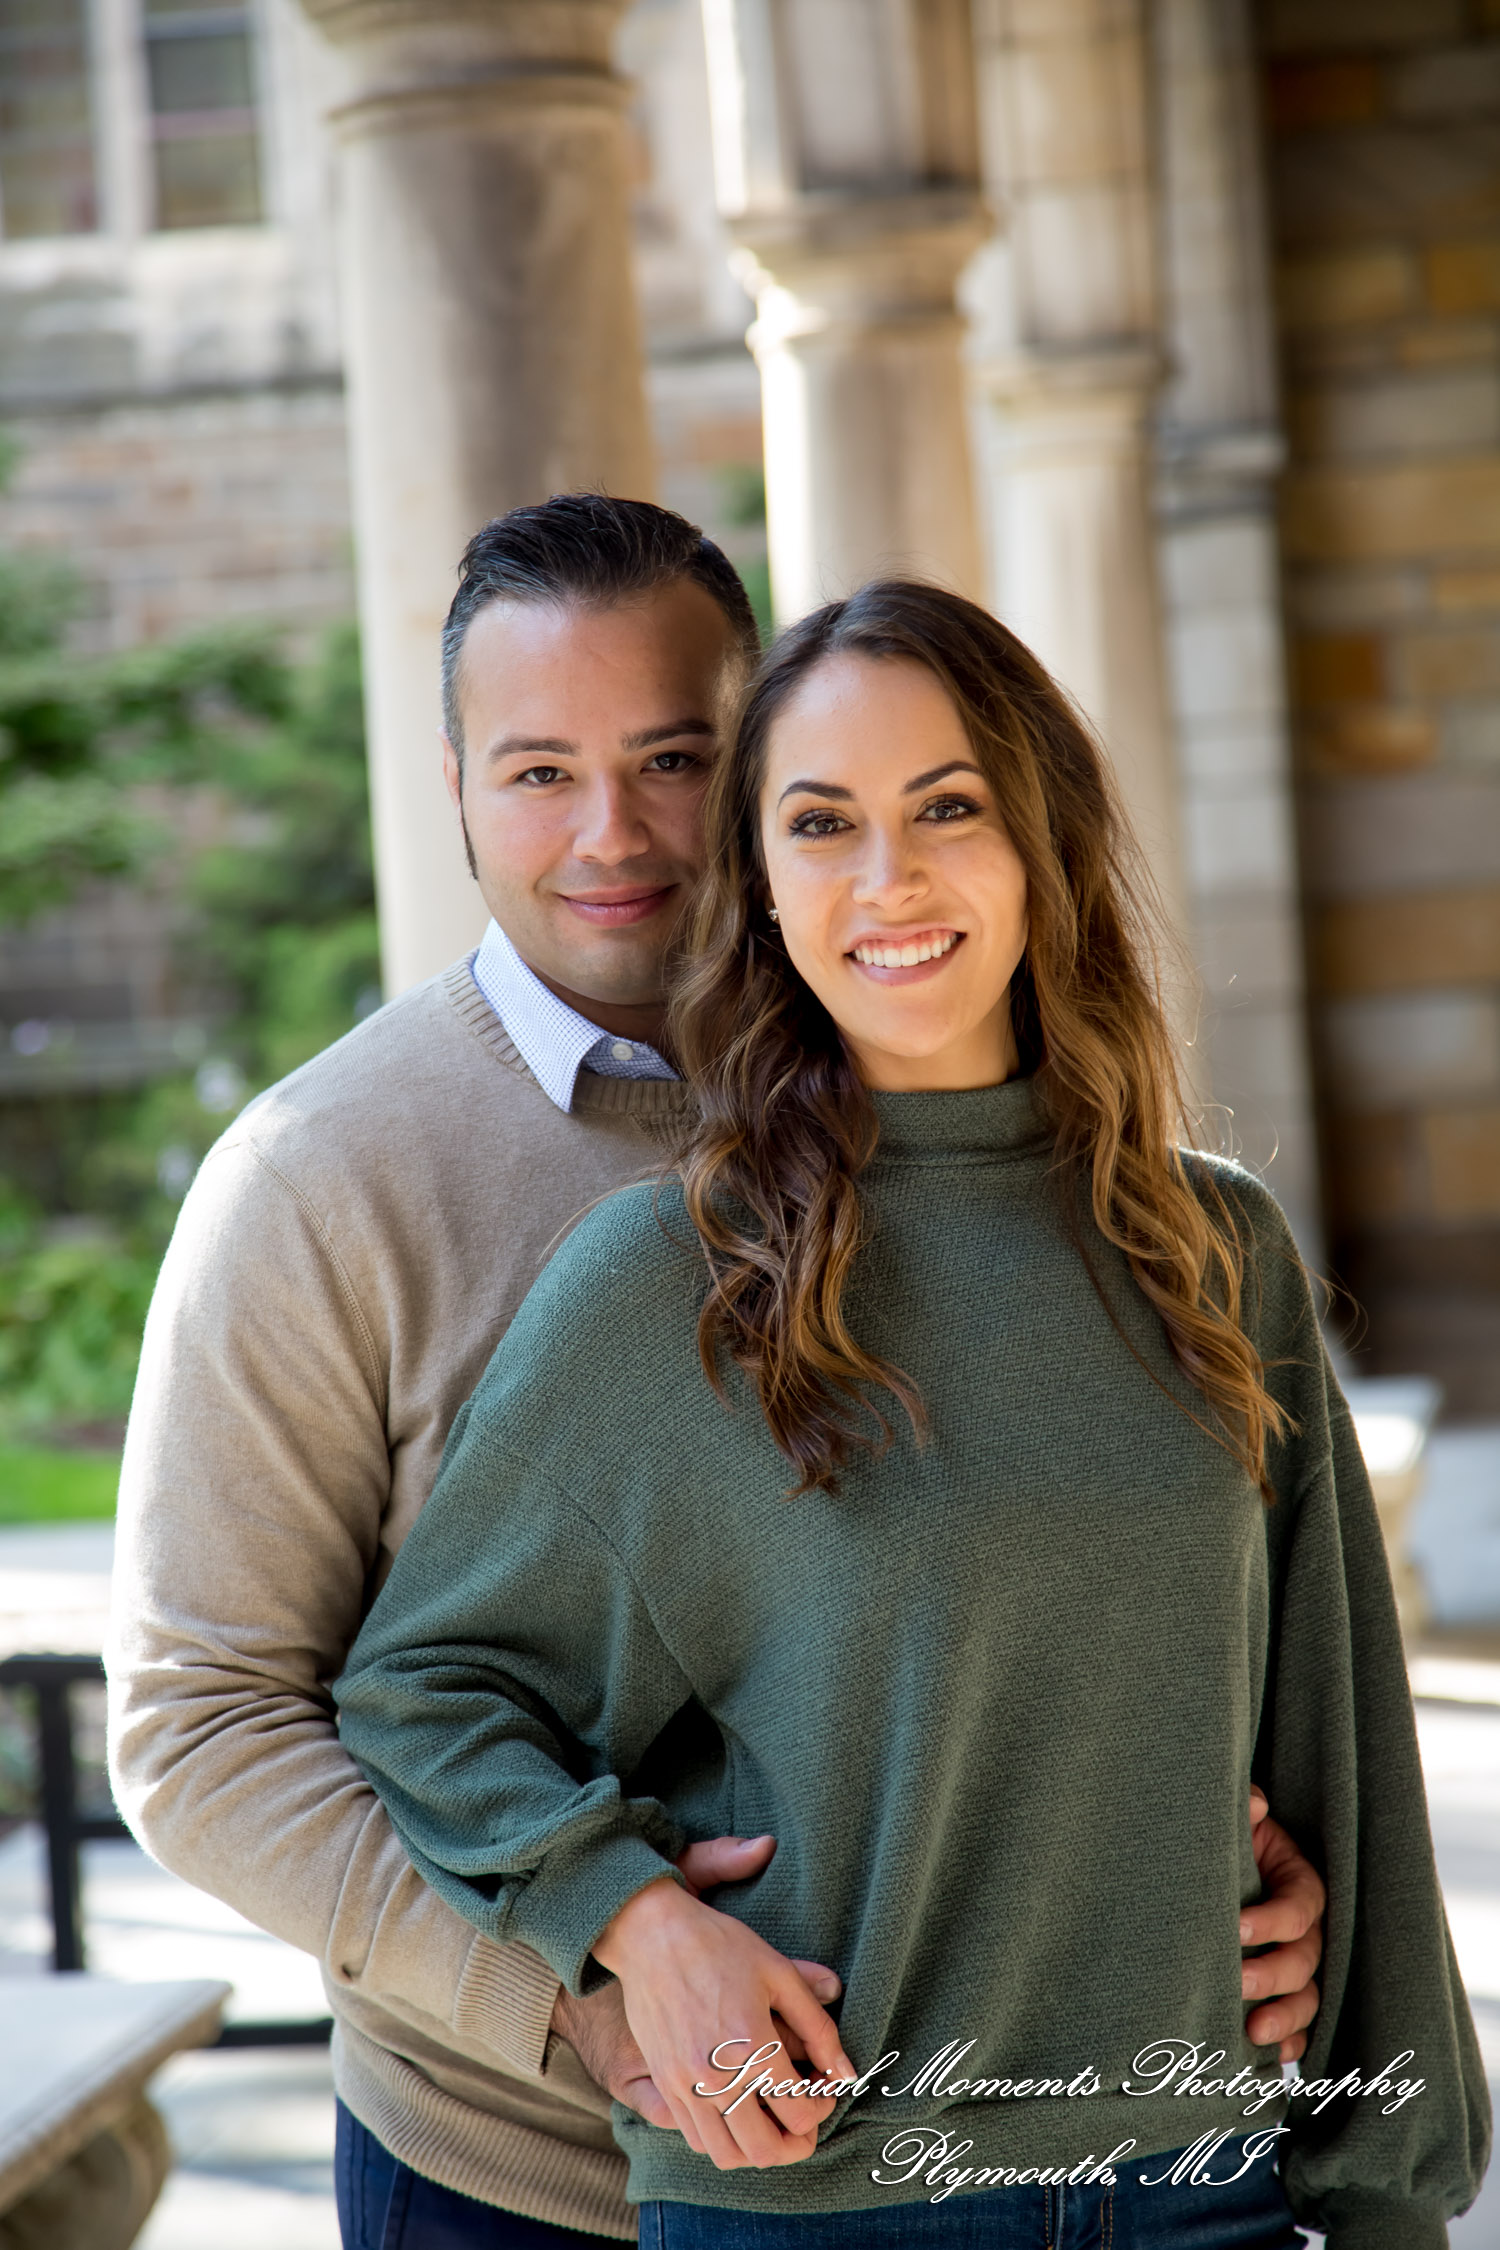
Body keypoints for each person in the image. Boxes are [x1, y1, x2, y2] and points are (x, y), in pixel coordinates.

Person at [107, 499, 1325, 2250]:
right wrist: (586, 1982)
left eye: (674, 756)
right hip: (505, 2171)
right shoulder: (320, 1179)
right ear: (452, 786)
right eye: (537, 771)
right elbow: (206, 1727)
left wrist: (1187, 1859)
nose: (612, 834)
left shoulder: (981, 1114)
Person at [333, 578, 1489, 2249]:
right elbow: (425, 1682)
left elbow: (1340, 1750)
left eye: (946, 806)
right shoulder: (675, 1277)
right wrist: (635, 1919)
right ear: (766, 891)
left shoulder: (1210, 1247)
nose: (889, 877)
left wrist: (1391, 2207)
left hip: (1203, 2194)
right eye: (822, 823)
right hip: (830, 2204)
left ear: (1040, 841)